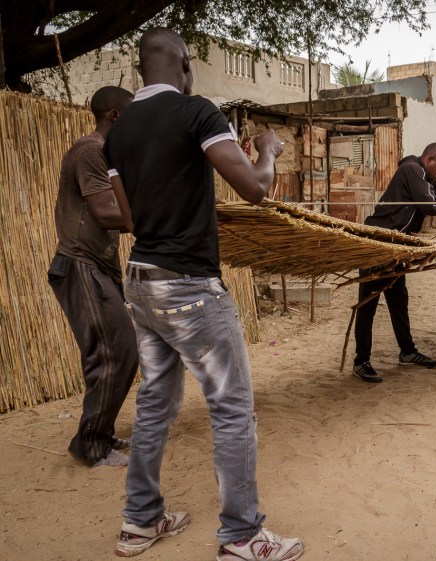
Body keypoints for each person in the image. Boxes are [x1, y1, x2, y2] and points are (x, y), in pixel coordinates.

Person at [104, 28, 303, 561]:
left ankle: (139, 523)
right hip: (190, 287)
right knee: (233, 408)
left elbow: (128, 218)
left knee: (154, 407)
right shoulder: (198, 112)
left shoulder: (117, 136)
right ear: (185, 65)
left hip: (141, 281)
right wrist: (267, 150)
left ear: (140, 69)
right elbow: (256, 189)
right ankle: (241, 535)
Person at [48, 85, 137, 468]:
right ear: (116, 116)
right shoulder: (90, 151)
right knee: (112, 354)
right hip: (79, 264)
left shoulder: (108, 154)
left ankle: (100, 433)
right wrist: (157, 217)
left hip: (96, 266)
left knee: (123, 352)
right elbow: (104, 212)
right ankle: (90, 444)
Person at [352, 143, 436, 383]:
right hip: (378, 244)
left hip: (397, 247)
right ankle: (361, 362)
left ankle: (407, 352)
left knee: (399, 301)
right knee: (368, 305)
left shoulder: (425, 174)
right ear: (429, 158)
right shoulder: (412, 170)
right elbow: (429, 203)